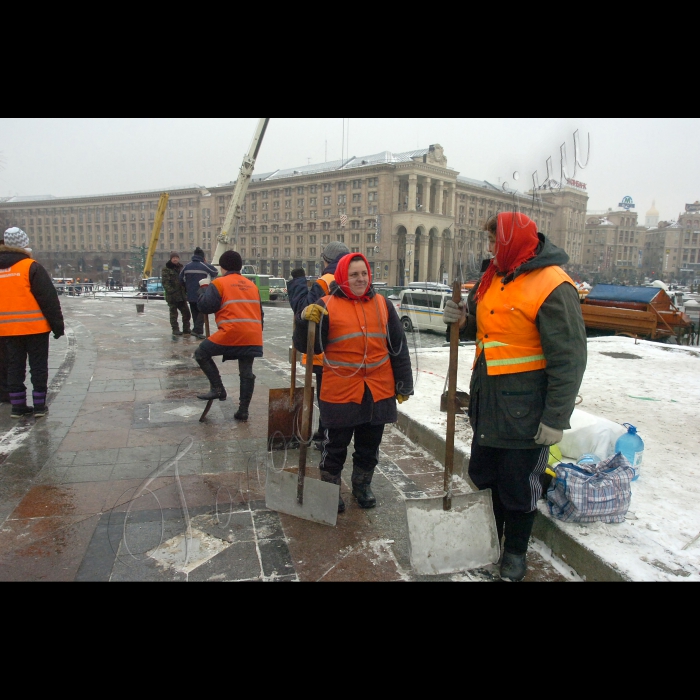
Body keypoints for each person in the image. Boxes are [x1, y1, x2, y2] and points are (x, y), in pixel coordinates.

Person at [443, 212, 587, 581]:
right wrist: (459, 320)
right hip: (488, 402)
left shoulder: (553, 284)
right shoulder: (494, 277)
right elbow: (481, 328)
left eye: (495, 242)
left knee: (518, 484)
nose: (490, 249)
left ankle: (515, 554)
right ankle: (490, 540)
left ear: (512, 242)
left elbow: (569, 357)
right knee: (484, 475)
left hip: (526, 410)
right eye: (489, 242)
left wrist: (556, 418)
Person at [294, 253, 413, 513]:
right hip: (340, 391)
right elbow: (307, 346)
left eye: (364, 274)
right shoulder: (326, 304)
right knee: (334, 446)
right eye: (354, 274)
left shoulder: (383, 304)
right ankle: (330, 488)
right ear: (342, 277)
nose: (360, 279)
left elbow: (398, 347)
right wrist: (304, 321)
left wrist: (404, 382)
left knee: (369, 446)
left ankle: (361, 485)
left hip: (378, 390)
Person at [287, 240, 350, 446]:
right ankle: (324, 432)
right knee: (336, 396)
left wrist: (297, 282)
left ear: (325, 261)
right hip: (348, 352)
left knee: (326, 396)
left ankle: (326, 435)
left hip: (324, 349)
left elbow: (303, 310)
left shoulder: (326, 280)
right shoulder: (356, 278)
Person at [0, 227, 65, 418]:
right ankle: (39, 407)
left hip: (7, 329)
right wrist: (57, 326)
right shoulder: (31, 267)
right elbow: (48, 299)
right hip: (35, 328)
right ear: (23, 244)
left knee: (14, 367)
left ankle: (18, 407)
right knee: (38, 367)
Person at [194, 251, 263, 422]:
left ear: (223, 267)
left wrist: (203, 289)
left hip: (231, 333)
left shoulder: (219, 283)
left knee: (201, 353)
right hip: (253, 335)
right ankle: (243, 411)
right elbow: (260, 313)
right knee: (246, 372)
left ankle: (218, 389)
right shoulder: (252, 285)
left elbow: (205, 306)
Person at [180, 247, 218, 339]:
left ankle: (198, 332)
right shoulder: (203, 265)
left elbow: (180, 278)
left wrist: (187, 286)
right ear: (202, 257)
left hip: (190, 293)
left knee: (195, 313)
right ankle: (197, 330)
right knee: (202, 311)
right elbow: (215, 272)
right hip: (201, 293)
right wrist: (205, 263)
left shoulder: (187, 266)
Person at [161, 252, 192, 336]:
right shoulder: (166, 269)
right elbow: (165, 282)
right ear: (171, 259)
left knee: (186, 313)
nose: (175, 259)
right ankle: (175, 329)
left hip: (182, 296)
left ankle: (186, 329)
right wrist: (171, 292)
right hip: (172, 296)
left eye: (176, 257)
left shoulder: (182, 268)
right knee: (174, 314)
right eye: (173, 258)